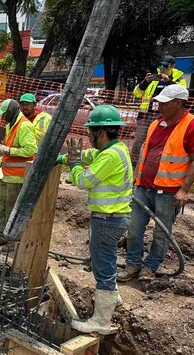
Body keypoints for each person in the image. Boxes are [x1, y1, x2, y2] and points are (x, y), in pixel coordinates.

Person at [57, 105, 133, 334]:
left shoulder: (109, 156)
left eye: (90, 131)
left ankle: (101, 321)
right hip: (113, 218)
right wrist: (61, 157)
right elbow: (88, 155)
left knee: (103, 266)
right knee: (105, 263)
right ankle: (114, 300)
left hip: (108, 219)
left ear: (100, 132)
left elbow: (83, 180)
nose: (87, 135)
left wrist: (73, 165)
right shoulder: (115, 149)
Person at [119, 84, 194, 282]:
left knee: (162, 233)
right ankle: (133, 265)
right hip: (144, 187)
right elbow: (145, 154)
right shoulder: (155, 123)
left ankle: (150, 267)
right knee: (134, 228)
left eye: (164, 103)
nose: (159, 107)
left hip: (169, 191)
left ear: (178, 103)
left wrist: (184, 189)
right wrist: (135, 180)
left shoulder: (190, 125)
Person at [0, 99, 37, 246]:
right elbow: (6, 147)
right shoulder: (12, 125)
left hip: (18, 178)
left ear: (11, 111)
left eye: (4, 114)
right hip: (7, 176)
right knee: (2, 208)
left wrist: (8, 150)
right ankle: (3, 236)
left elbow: (31, 150)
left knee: (12, 211)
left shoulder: (24, 126)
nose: (3, 118)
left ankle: (12, 243)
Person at [130, 55, 188, 165]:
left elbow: (183, 94)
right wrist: (145, 82)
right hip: (146, 115)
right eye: (161, 65)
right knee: (138, 141)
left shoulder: (179, 79)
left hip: (164, 116)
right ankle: (133, 164)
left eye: (165, 66)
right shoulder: (154, 78)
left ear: (173, 66)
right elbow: (137, 93)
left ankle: (154, 163)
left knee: (159, 142)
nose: (162, 68)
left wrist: (169, 82)